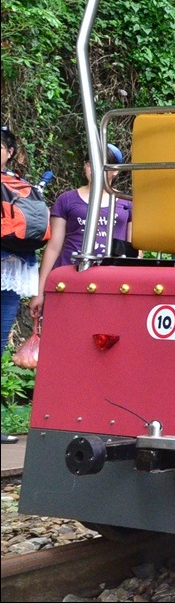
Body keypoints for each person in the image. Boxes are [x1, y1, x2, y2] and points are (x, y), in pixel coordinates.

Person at [29, 145, 133, 323]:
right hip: (69, 277)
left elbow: (133, 250)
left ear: (115, 171)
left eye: (102, 164)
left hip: (111, 281)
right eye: (90, 163)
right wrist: (40, 291)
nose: (94, 169)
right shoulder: (67, 200)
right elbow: (54, 247)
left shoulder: (126, 204)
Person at [1, 124, 42, 443]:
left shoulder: (20, 187)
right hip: (16, 267)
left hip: (13, 271)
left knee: (0, 342)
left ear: (10, 152)